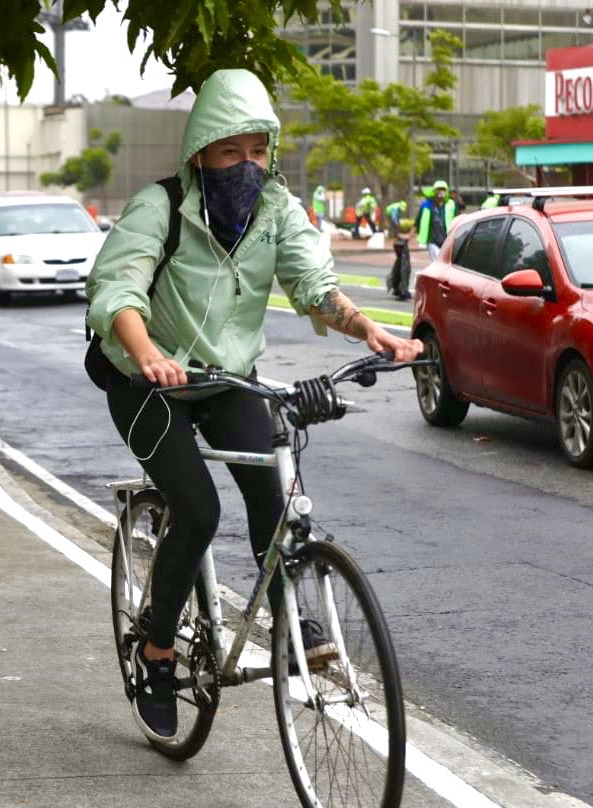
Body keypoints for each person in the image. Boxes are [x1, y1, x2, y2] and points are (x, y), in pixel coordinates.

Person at [85, 69, 423, 743]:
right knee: (200, 508)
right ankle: (156, 653)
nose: (247, 165)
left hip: (227, 379)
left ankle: (292, 622)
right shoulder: (160, 207)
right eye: (228, 152)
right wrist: (148, 350)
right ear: (200, 153)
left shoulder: (274, 208)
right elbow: (115, 290)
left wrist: (367, 329)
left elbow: (312, 283)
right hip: (146, 384)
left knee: (272, 495)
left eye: (257, 150)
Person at [409, 179, 457, 261]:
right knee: (437, 261)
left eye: (443, 189)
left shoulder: (451, 204)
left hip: (448, 240)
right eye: (438, 189)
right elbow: (418, 221)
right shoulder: (427, 205)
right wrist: (410, 235)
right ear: (434, 191)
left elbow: (458, 219)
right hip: (432, 240)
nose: (441, 192)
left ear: (446, 191)